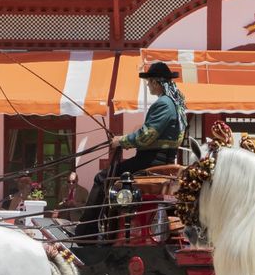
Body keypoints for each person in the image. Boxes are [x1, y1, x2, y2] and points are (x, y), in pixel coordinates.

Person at [78, 61, 187, 236]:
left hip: (150, 162)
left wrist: (121, 141)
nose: (148, 85)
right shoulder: (176, 105)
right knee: (113, 175)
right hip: (162, 160)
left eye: (149, 81)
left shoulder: (163, 104)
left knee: (103, 177)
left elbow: (146, 136)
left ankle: (86, 230)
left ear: (156, 82)